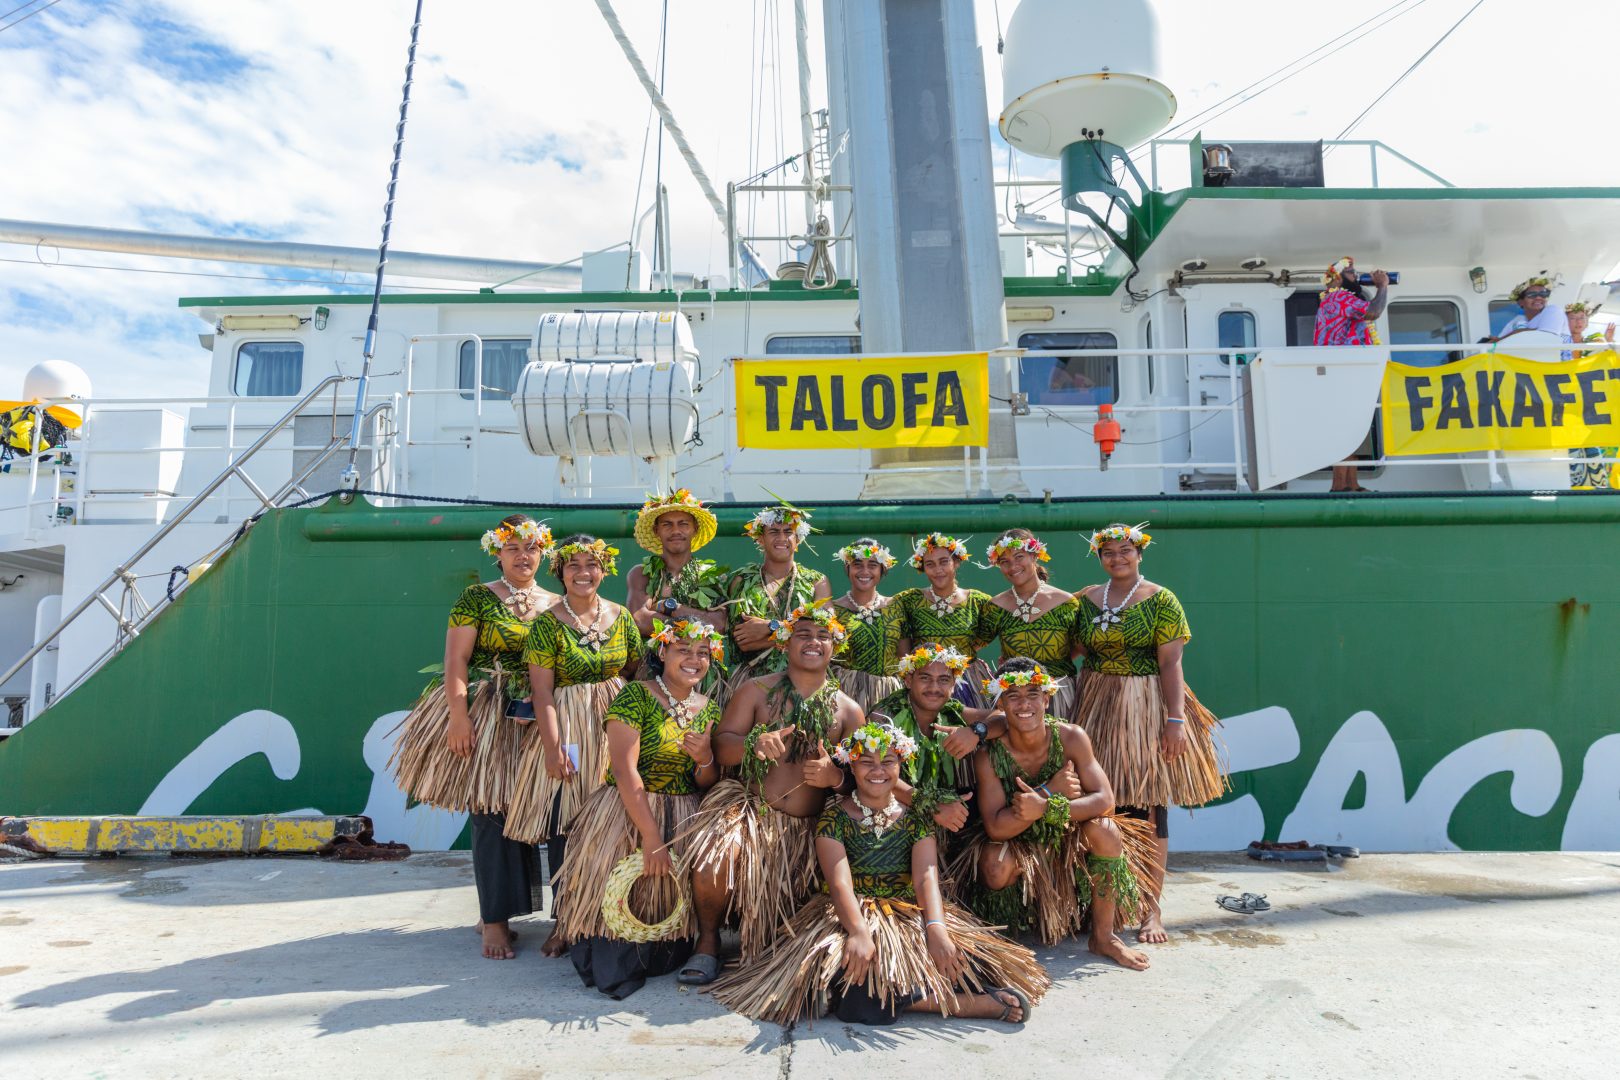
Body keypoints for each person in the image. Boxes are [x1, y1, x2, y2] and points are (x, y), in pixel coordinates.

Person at [709, 720, 1049, 1027]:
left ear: (901, 765)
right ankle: (971, 1005)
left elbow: (925, 878)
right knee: (861, 992)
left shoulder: (915, 819)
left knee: (962, 961)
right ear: (852, 766)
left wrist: (936, 929)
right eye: (866, 762)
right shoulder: (834, 820)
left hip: (909, 914)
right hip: (852, 914)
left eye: (888, 761)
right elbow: (839, 883)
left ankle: (928, 989)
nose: (877, 770)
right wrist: (857, 931)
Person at [389, 514, 556, 960]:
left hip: (544, 718)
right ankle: (495, 922)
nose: (524, 556)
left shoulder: (557, 601)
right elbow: (456, 662)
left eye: (532, 548)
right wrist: (458, 718)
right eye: (513, 548)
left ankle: (542, 913)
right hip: (491, 715)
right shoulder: (477, 599)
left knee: (549, 812)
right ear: (497, 554)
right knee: (492, 813)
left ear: (543, 552)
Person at [679, 601, 863, 985]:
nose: (813, 642)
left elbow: (858, 782)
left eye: (823, 636)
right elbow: (722, 744)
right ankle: (708, 942)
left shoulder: (848, 711)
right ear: (784, 643)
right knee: (715, 859)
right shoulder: (756, 690)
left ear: (835, 646)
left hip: (808, 833)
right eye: (803, 634)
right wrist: (753, 744)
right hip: (749, 813)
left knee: (785, 936)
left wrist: (835, 777)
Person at [1073, 523, 1227, 946]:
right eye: (1108, 552)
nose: (1117, 558)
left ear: (1139, 553)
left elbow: (1171, 663)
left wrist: (1174, 720)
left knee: (1150, 807)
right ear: (1099, 557)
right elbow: (1070, 650)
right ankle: (1101, 905)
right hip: (1096, 705)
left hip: (1146, 707)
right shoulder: (1085, 599)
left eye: (1125, 551)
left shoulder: (1162, 600)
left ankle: (1150, 907)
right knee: (1102, 806)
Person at [554, 619, 725, 999]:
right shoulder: (636, 697)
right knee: (622, 908)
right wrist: (651, 837)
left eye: (703, 653)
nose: (694, 659)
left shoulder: (708, 707)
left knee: (665, 911)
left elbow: (706, 782)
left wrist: (705, 758)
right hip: (628, 812)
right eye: (683, 650)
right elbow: (623, 769)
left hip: (682, 812)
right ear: (663, 652)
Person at [957, 659, 1155, 971]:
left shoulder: (1070, 737)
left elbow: (1106, 800)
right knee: (994, 867)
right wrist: (1050, 790)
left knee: (1106, 830)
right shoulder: (988, 754)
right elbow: (996, 828)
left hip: (1067, 833)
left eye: (1033, 694)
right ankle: (1006, 937)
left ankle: (1104, 936)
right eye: (1013, 696)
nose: (1024, 705)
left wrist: (1044, 807)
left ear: (1047, 699)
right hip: (1016, 838)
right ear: (1000, 704)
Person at [511, 534, 641, 957]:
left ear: (604, 570)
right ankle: (566, 920)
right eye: (573, 566)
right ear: (560, 572)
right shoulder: (547, 624)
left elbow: (636, 672)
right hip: (569, 728)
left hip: (615, 723)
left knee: (615, 818)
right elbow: (542, 693)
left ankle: (612, 913)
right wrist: (553, 748)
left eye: (591, 565)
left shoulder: (621, 617)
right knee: (568, 823)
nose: (583, 573)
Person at [869, 644, 1008, 847]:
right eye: (925, 678)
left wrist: (976, 732)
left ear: (954, 685)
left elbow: (1004, 719)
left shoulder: (952, 711)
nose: (934, 688)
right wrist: (932, 806)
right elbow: (877, 773)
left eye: (944, 680)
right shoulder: (884, 717)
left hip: (951, 812)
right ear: (908, 680)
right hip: (897, 816)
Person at [721, 500, 831, 698]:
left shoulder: (816, 582)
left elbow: (827, 630)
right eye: (774, 532)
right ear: (760, 539)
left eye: (788, 531)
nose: (782, 538)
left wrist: (770, 627)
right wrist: (799, 638)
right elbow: (744, 641)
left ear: (798, 540)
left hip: (804, 683)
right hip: (750, 683)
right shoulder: (742, 579)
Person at [976, 529, 1083, 717]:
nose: (1013, 566)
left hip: (1061, 696)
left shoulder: (1065, 603)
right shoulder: (995, 607)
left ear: (1034, 555)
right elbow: (971, 646)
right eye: (1004, 561)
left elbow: (1080, 648)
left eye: (1019, 557)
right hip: (1016, 700)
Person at [890, 532, 996, 708]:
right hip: (926, 684)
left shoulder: (979, 601)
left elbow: (982, 639)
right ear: (922, 567)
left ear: (956, 562)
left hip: (969, 683)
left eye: (944, 562)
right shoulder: (909, 600)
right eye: (930, 564)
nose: (938, 569)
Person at [1314, 256, 1391, 492]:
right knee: (1345, 427)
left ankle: (1351, 484)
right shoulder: (1340, 297)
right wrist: (1383, 286)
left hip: (1340, 371)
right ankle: (1340, 486)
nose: (1355, 276)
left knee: (1351, 426)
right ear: (1336, 277)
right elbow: (1374, 311)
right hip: (1343, 372)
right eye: (1351, 273)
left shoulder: (1330, 300)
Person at [625, 489, 729, 650]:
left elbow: (719, 625)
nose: (676, 531)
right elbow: (639, 620)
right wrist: (697, 623)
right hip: (654, 666)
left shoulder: (712, 576)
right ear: (656, 530)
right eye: (667, 524)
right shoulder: (641, 574)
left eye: (683, 524)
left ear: (695, 528)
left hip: (700, 666)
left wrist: (668, 607)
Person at [829, 538, 903, 713]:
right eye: (857, 564)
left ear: (882, 569)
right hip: (845, 694)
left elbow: (904, 654)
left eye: (872, 565)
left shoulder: (897, 607)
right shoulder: (833, 610)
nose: (864, 571)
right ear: (847, 568)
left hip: (890, 696)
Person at [1564, 303, 1617, 490]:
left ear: (1587, 322)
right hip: (1566, 401)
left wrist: (1609, 342)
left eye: (1581, 318)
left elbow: (1609, 361)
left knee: (1593, 442)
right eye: (1572, 318)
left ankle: (1599, 484)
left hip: (1588, 400)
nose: (1578, 322)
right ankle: (1575, 484)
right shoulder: (1559, 343)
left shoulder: (1593, 343)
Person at [1489, 277, 1572, 354]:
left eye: (1543, 294)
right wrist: (1497, 340)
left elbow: (1546, 339)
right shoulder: (1518, 320)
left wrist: (1516, 332)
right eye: (1532, 294)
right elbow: (1498, 342)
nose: (1539, 297)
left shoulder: (1553, 310)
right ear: (1520, 302)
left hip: (1558, 367)